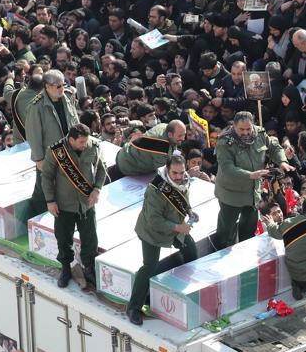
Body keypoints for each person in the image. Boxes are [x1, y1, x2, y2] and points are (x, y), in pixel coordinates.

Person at [126, 154, 199, 325]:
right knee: (149, 266)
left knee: (191, 250)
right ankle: (134, 307)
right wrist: (179, 228)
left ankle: (186, 291)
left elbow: (183, 199)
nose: (179, 177)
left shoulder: (183, 180)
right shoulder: (155, 189)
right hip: (152, 232)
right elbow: (154, 220)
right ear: (167, 170)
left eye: (181, 173)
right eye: (175, 173)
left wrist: (189, 212)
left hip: (175, 225)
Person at [41, 123, 108, 289]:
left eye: (86, 141)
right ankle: (65, 268)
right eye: (81, 142)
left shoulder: (94, 146)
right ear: (71, 139)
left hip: (87, 204)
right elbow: (47, 177)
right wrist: (50, 200)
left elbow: (101, 169)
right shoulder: (56, 151)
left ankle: (89, 268)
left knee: (90, 239)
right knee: (63, 239)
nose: (85, 145)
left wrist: (97, 189)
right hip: (64, 204)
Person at [214, 111, 291, 249]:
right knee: (226, 230)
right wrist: (250, 175)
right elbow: (227, 167)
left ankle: (245, 250)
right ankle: (220, 251)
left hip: (253, 192)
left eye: (248, 129)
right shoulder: (225, 141)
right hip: (231, 193)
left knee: (249, 228)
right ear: (234, 126)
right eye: (241, 129)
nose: (246, 132)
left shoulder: (259, 133)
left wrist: (282, 161)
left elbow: (273, 146)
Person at [26, 70, 81, 218]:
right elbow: (33, 134)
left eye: (62, 85)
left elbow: (75, 120)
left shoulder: (68, 96)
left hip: (69, 151)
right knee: (42, 190)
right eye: (57, 86)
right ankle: (32, 219)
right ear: (47, 86)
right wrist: (39, 158)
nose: (61, 89)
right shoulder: (36, 106)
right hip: (49, 155)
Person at [112, 120, 187, 179]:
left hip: (125, 152)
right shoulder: (162, 149)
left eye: (184, 135)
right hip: (127, 166)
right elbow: (168, 172)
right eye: (180, 136)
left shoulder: (165, 126)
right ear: (170, 134)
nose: (183, 138)